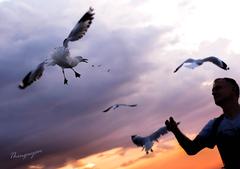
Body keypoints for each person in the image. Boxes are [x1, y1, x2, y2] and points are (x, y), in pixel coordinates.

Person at [165, 77, 240, 169]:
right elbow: (191, 149)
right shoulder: (215, 125)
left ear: (234, 90)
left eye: (218, 88)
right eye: (213, 90)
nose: (213, 93)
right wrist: (175, 130)